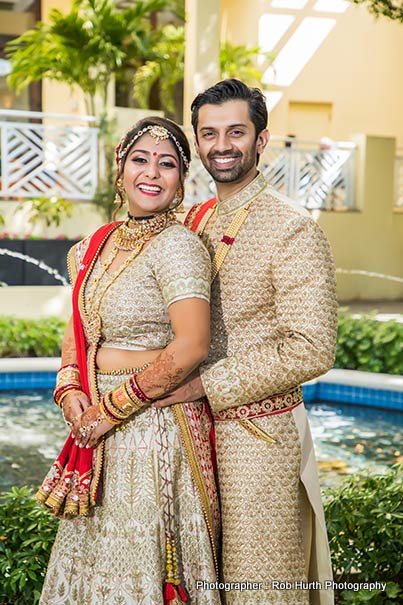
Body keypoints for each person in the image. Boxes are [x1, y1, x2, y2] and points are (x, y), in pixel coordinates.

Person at [155, 79, 338, 605]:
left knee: (259, 589)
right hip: (187, 438)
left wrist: (202, 386)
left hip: (258, 441)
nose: (222, 145)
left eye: (236, 132)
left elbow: (312, 346)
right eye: (209, 133)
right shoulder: (193, 220)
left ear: (261, 139)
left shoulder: (293, 228)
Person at [37, 117, 221, 605]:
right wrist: (70, 388)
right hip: (95, 428)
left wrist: (111, 409)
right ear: (120, 170)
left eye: (168, 164)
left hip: (153, 428)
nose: (152, 173)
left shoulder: (179, 247)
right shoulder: (89, 249)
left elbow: (191, 347)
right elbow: (77, 331)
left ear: (182, 179)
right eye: (141, 160)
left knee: (141, 565)